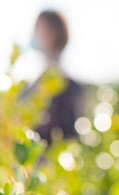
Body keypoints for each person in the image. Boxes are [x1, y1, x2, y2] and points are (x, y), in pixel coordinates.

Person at [28, 9, 84, 143]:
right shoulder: (33, 85)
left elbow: (70, 135)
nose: (34, 34)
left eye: (39, 29)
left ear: (53, 33)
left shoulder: (69, 87)